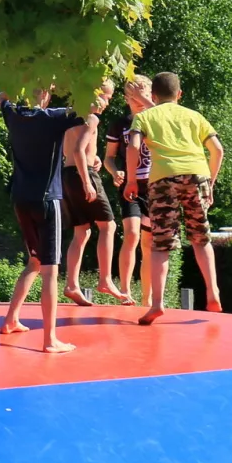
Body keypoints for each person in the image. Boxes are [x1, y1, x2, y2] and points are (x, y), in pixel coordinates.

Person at [127, 71, 225, 323]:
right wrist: (210, 181)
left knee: (161, 243)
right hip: (197, 175)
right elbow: (217, 150)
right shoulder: (195, 116)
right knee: (201, 237)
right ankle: (212, 291)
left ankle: (156, 303)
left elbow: (134, 147)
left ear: (154, 95)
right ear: (179, 94)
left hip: (163, 179)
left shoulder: (144, 116)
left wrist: (130, 180)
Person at [0, 88, 84, 354]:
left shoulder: (12, 114)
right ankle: (50, 340)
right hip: (47, 199)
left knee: (34, 261)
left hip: (20, 199)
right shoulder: (54, 117)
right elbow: (87, 110)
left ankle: (11, 319)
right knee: (50, 271)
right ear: (46, 94)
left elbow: (1, 97)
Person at [60, 83, 134, 307]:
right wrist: (87, 180)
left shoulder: (68, 115)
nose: (108, 102)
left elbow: (70, 151)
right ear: (93, 93)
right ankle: (105, 280)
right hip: (83, 176)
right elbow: (78, 150)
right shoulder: (91, 118)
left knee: (81, 231)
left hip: (67, 174)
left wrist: (93, 159)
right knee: (108, 226)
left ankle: (72, 284)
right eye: (106, 97)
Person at [105, 75, 155, 304]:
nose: (137, 100)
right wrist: (115, 172)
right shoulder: (120, 124)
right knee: (132, 234)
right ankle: (125, 291)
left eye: (142, 95)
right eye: (132, 96)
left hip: (155, 185)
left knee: (149, 243)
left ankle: (148, 297)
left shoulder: (157, 120)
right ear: (126, 98)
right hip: (131, 186)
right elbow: (109, 158)